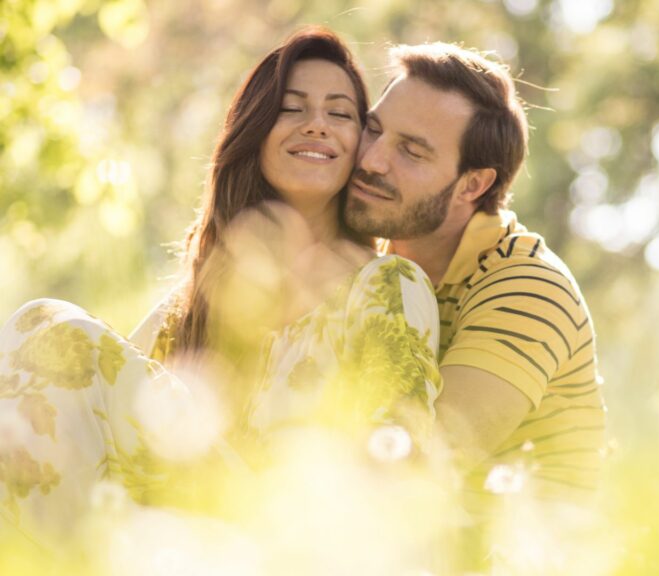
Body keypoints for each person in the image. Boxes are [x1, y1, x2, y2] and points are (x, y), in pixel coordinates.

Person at [0, 26, 441, 545]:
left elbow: (397, 447)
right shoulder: (193, 302)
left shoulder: (387, 283)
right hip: (176, 533)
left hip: (286, 537)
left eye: (340, 113)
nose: (317, 125)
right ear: (255, 130)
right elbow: (82, 407)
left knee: (49, 325)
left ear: (358, 149)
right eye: (292, 108)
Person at [341, 43, 606, 507]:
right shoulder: (365, 263)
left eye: (412, 152)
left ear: (474, 184)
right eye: (373, 129)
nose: (371, 160)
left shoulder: (528, 285)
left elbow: (426, 466)